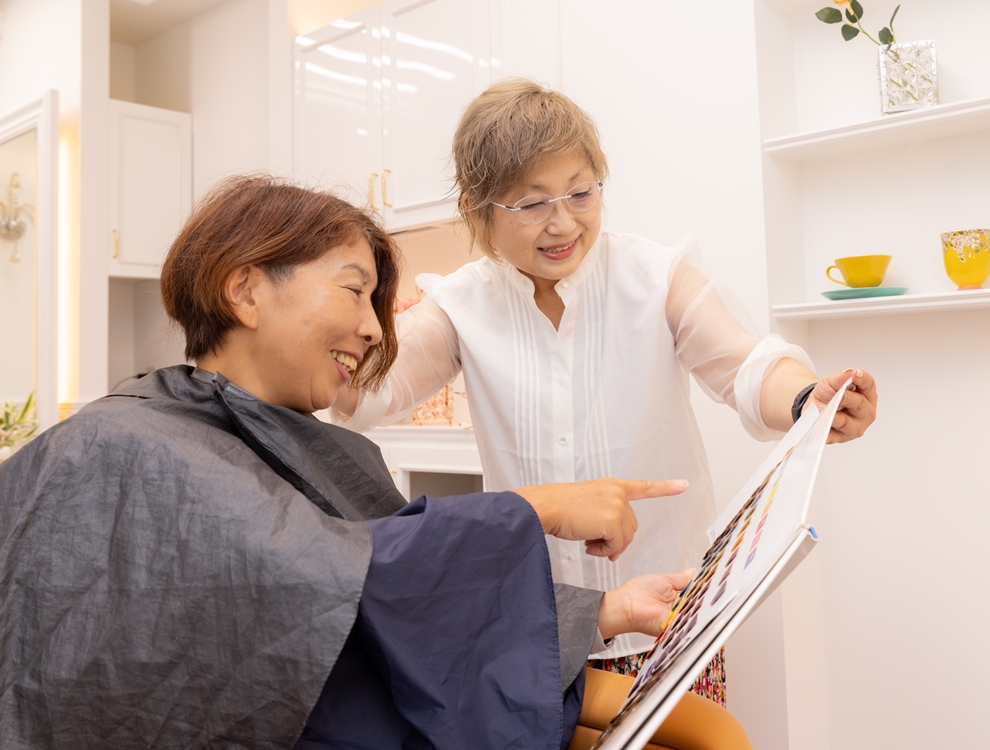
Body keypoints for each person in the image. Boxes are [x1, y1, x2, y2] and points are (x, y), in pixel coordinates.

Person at [0, 176, 697, 749]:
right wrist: (534, 508)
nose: (373, 327)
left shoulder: (323, 447)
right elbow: (315, 573)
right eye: (353, 289)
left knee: (701, 729)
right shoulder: (116, 444)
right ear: (245, 291)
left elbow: (390, 594)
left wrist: (603, 610)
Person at [331, 79, 879, 688]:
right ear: (476, 209)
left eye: (581, 192)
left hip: (669, 615)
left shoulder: (654, 274)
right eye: (532, 203)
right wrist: (345, 316)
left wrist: (809, 399)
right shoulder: (461, 303)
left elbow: (750, 368)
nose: (563, 222)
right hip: (541, 626)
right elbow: (364, 394)